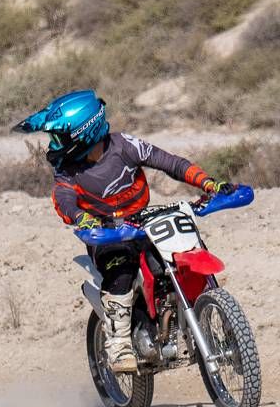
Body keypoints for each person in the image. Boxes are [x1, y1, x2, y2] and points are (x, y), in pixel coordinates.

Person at [14, 89, 234, 373]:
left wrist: (209, 184)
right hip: (106, 233)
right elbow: (63, 199)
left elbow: (171, 163)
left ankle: (219, 323)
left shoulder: (124, 145)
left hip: (144, 220)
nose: (55, 145)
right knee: (121, 271)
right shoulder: (67, 171)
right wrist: (83, 218)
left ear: (82, 132)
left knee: (184, 252)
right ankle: (118, 344)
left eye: (60, 138)